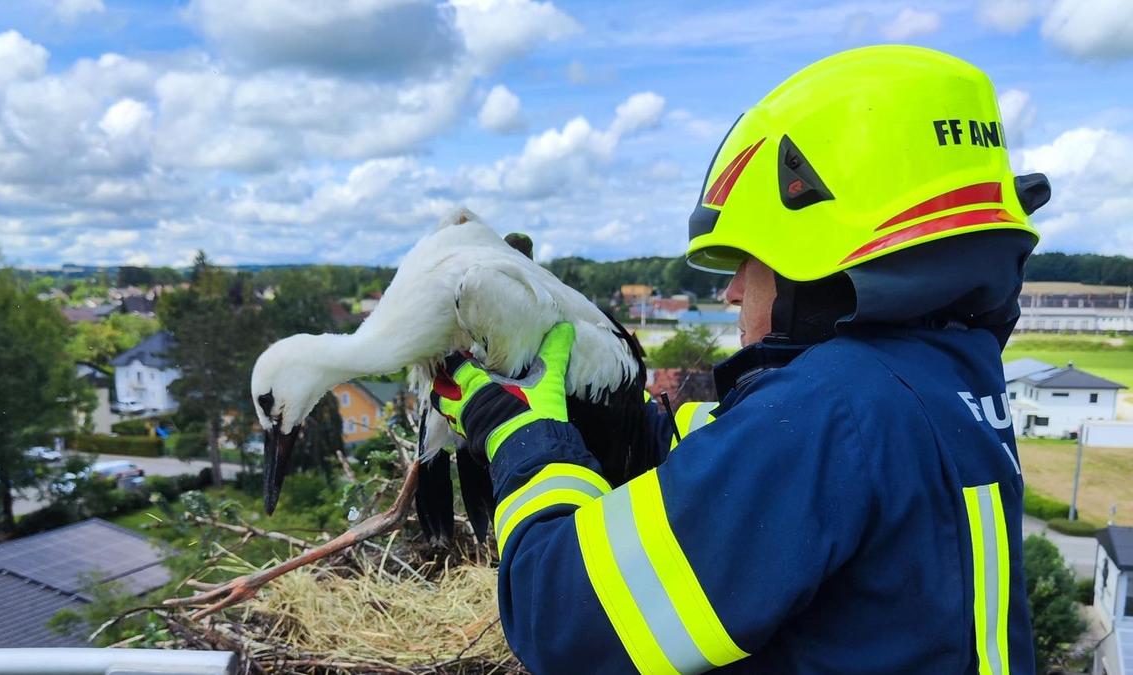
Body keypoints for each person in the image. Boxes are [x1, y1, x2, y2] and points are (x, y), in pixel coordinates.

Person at [431, 45, 1049, 674]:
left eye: (746, 261)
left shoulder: (834, 413)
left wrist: (524, 441)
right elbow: (756, 455)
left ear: (816, 261)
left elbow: (561, 620)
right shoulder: (945, 379)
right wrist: (624, 428)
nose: (729, 292)